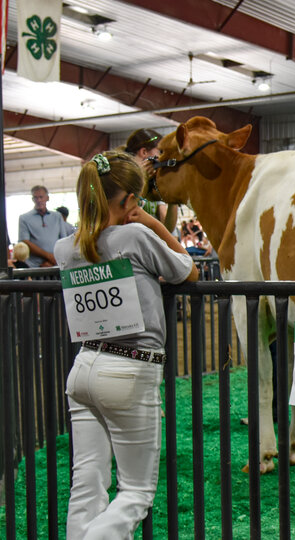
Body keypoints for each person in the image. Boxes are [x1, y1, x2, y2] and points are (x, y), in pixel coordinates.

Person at [56, 151, 198, 539]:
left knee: (86, 484)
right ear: (129, 201)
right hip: (130, 369)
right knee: (135, 492)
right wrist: (153, 223)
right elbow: (188, 269)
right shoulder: (135, 236)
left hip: (83, 368)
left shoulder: (64, 248)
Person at [124, 128, 178, 233]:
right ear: (144, 152)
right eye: (160, 152)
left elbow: (168, 229)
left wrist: (173, 199)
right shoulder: (123, 179)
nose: (161, 158)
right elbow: (126, 215)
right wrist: (143, 180)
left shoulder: (152, 182)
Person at [18, 185, 70, 267]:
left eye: (41, 197)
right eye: (35, 197)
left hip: (56, 264)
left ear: (47, 198)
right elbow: (25, 242)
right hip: (34, 266)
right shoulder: (24, 218)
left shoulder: (57, 217)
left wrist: (54, 259)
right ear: (32, 199)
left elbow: (63, 240)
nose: (39, 200)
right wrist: (48, 256)